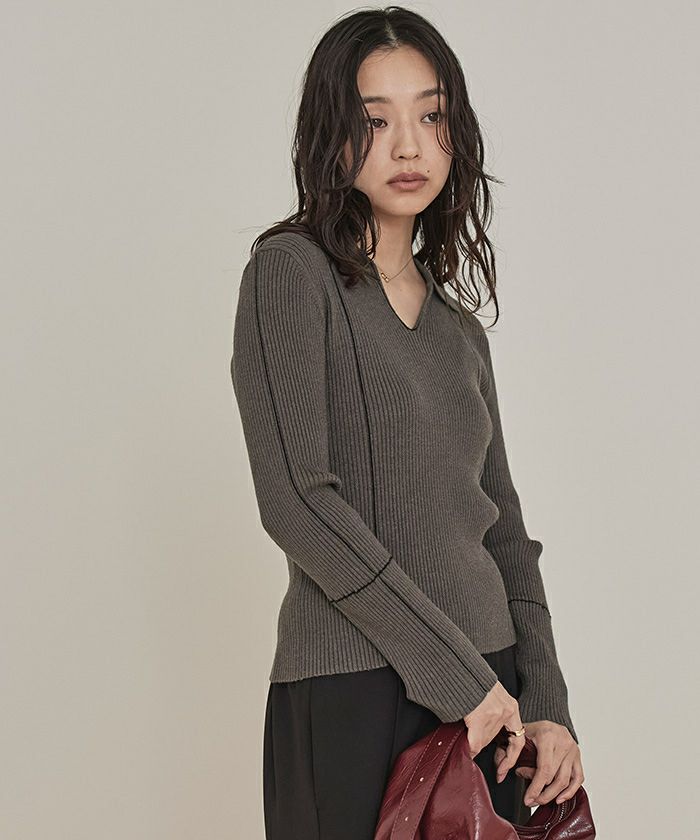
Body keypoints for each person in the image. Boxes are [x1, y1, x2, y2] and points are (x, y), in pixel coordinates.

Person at [230, 7, 585, 839]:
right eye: (375, 120)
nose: (408, 147)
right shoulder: (290, 274)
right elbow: (298, 503)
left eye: (430, 117)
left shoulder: (459, 330)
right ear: (332, 135)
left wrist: (547, 702)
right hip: (358, 685)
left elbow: (504, 533)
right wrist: (457, 678)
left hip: (494, 699)